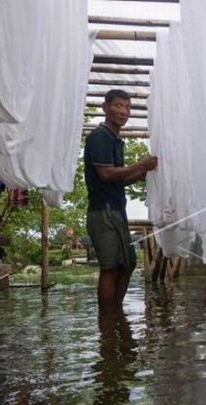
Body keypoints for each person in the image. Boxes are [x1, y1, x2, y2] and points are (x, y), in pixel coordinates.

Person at [85, 89, 158, 311]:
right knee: (111, 267)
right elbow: (105, 174)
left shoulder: (116, 140)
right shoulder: (100, 136)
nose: (123, 112)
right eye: (118, 106)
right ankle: (107, 320)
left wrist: (143, 173)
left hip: (115, 210)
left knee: (127, 264)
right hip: (103, 211)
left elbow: (117, 181)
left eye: (127, 108)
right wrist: (140, 165)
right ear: (105, 108)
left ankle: (115, 314)